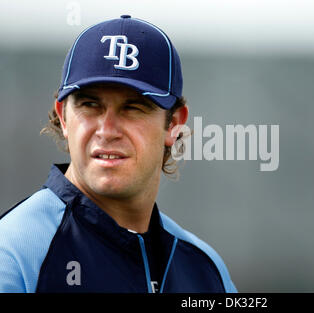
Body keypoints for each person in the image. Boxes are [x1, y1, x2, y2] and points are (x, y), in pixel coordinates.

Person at [0, 15, 237, 293]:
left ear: (173, 124)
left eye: (133, 107)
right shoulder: (15, 252)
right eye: (90, 105)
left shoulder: (205, 270)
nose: (107, 130)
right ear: (64, 117)